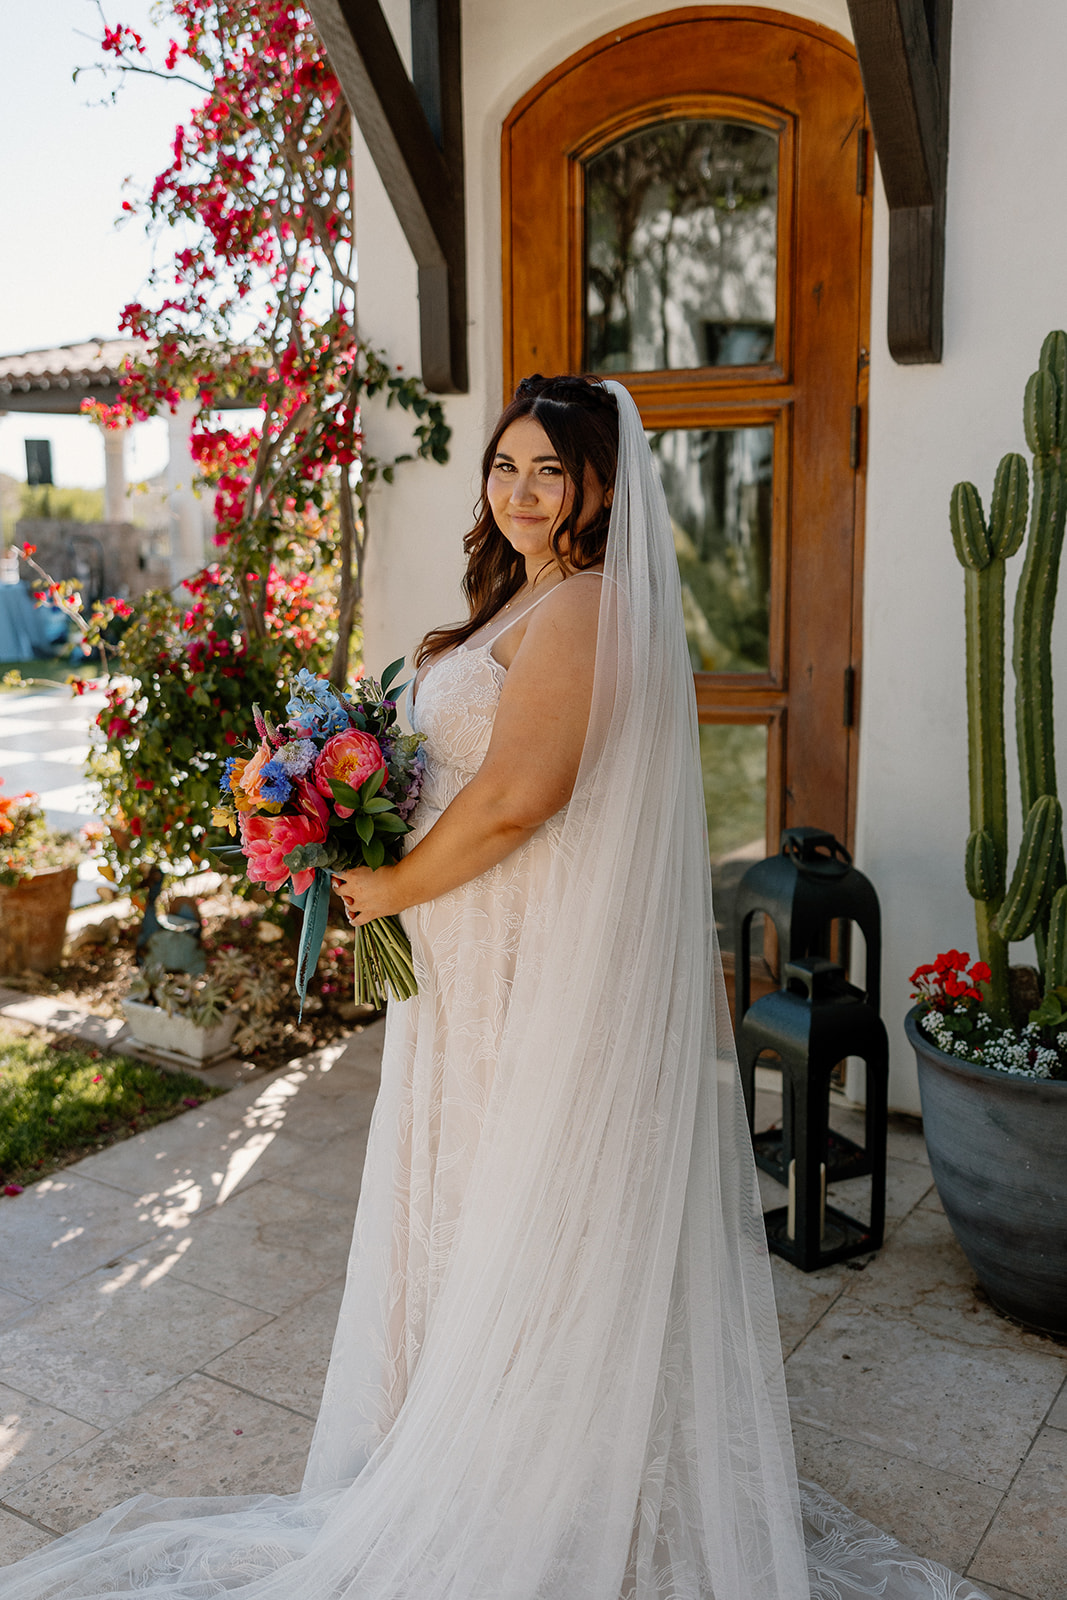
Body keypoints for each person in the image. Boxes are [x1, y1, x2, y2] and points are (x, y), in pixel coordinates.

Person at [1, 376, 986, 1600]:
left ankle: (527, 1465)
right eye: (505, 465)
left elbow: (522, 798)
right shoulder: (514, 602)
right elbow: (441, 769)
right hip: (460, 957)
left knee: (513, 1189)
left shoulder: (578, 608)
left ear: (600, 486)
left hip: (517, 955)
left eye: (549, 471)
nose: (520, 491)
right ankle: (445, 1429)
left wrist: (393, 885)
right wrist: (316, 801)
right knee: (461, 1186)